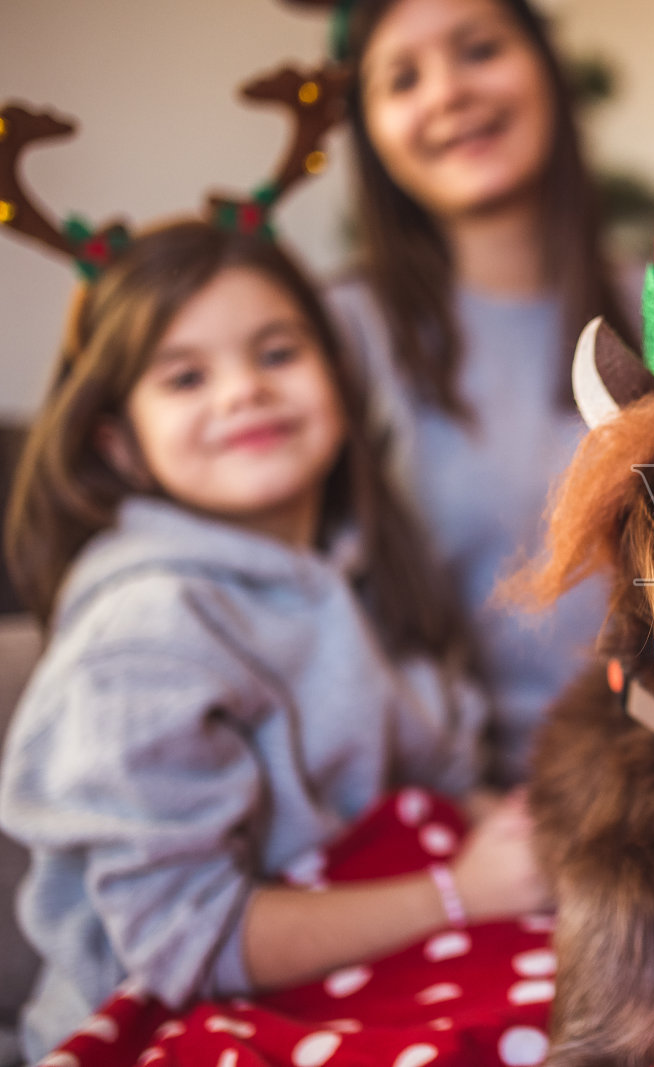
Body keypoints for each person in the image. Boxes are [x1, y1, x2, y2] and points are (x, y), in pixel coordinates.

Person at [0, 221, 549, 1062]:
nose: (242, 391)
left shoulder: (360, 569)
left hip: (386, 962)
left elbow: (436, 777)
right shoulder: (145, 631)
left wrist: (532, 839)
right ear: (120, 442)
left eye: (277, 353)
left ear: (338, 374)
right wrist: (460, 894)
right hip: (183, 1017)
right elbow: (194, 942)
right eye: (186, 376)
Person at [326, 0, 634, 786]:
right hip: (475, 814)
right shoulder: (336, 336)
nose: (448, 93)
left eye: (479, 50)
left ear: (547, 69)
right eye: (402, 78)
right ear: (368, 131)